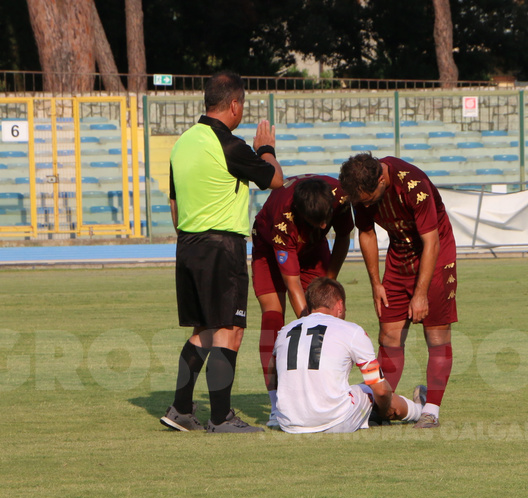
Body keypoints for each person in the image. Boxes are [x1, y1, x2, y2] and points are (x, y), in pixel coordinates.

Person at [159, 70, 284, 434]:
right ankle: (220, 417)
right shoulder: (230, 144)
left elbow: (174, 203)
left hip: (188, 243)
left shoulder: (182, 143)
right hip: (222, 246)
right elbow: (276, 180)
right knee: (230, 330)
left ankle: (181, 409)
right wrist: (266, 149)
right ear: (234, 105)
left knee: (204, 330)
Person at [338, 153, 457, 429]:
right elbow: (366, 233)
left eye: (369, 200)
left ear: (382, 180)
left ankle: (431, 411)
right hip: (399, 256)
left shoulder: (414, 185)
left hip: (436, 254)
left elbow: (431, 242)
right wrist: (376, 283)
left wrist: (420, 294)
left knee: (436, 336)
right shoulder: (361, 189)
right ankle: (382, 408)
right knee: (389, 336)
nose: (366, 206)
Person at [250, 175, 353, 425]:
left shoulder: (340, 196)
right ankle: (276, 405)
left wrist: (328, 281)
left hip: (313, 248)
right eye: (318, 221)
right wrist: (309, 323)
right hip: (268, 248)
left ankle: (326, 393)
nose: (324, 225)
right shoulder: (282, 221)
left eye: (326, 219)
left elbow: (342, 236)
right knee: (273, 318)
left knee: (327, 307)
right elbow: (292, 283)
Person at [269, 276, 424, 434]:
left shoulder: (285, 331)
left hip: (289, 423)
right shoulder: (350, 330)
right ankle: (420, 410)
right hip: (335, 421)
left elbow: (272, 371)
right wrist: (383, 411)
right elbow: (381, 390)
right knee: (372, 389)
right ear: (340, 305)